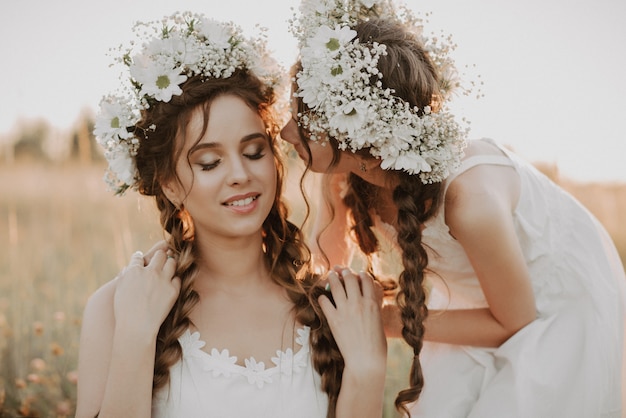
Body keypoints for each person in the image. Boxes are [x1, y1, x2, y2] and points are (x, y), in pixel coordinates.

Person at [281, 0, 626, 416]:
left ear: (362, 143)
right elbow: (328, 262)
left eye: (305, 120)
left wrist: (382, 320)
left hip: (551, 310)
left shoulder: (469, 201)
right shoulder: (344, 169)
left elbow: (515, 322)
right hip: (474, 301)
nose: (285, 130)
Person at [75, 12, 387, 418]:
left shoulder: (331, 308)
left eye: (254, 152)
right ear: (169, 184)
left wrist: (367, 372)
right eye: (209, 163)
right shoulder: (117, 307)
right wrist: (135, 335)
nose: (241, 175)